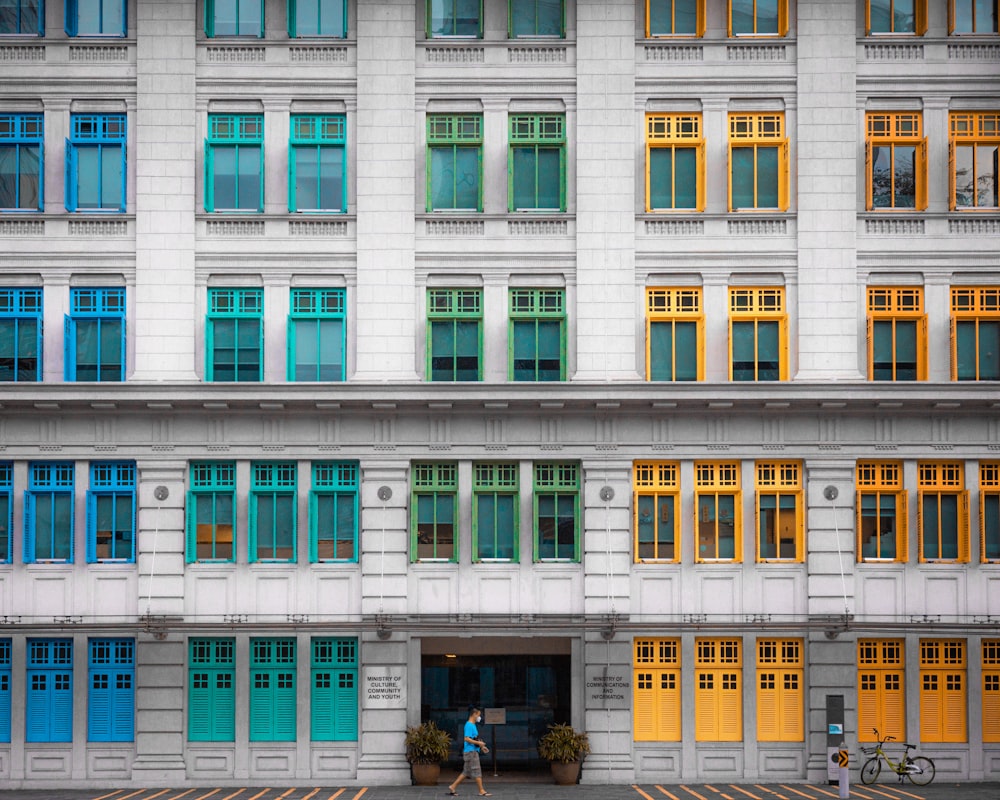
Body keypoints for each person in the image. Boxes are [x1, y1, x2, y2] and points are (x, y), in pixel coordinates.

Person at [447, 706, 490, 797]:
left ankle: (453, 786)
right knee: (477, 770)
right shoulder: (469, 725)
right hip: (471, 752)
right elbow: (466, 739)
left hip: (471, 751)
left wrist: (482, 747)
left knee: (466, 772)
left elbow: (474, 738)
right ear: (474, 714)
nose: (480, 717)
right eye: (479, 715)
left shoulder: (472, 725)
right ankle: (481, 790)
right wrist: (479, 743)